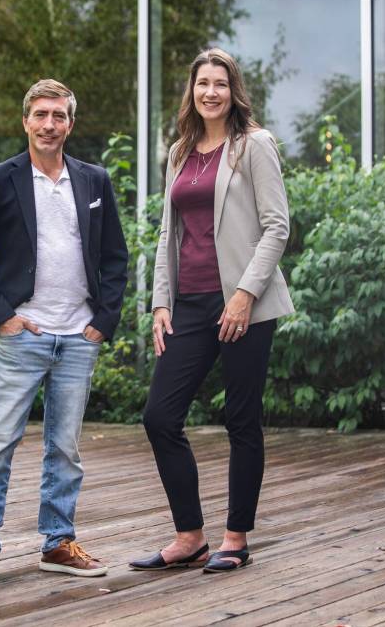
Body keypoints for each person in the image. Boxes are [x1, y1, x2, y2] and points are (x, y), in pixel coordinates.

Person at [0, 79, 129, 585]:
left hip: (78, 337)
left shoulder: (94, 180)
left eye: (59, 116)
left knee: (65, 447)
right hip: (21, 335)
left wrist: (103, 323)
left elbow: (115, 258)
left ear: (70, 123)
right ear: (25, 120)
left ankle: (58, 542)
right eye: (40, 115)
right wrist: (2, 318)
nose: (49, 125)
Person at [129, 48, 294, 574]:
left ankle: (235, 538)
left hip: (244, 305)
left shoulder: (253, 146)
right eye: (203, 83)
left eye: (221, 83)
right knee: (160, 417)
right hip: (190, 305)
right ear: (192, 91)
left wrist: (244, 294)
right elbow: (166, 233)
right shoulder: (179, 152)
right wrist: (159, 301)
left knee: (242, 419)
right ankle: (190, 535)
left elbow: (277, 226)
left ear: (233, 90)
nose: (211, 92)